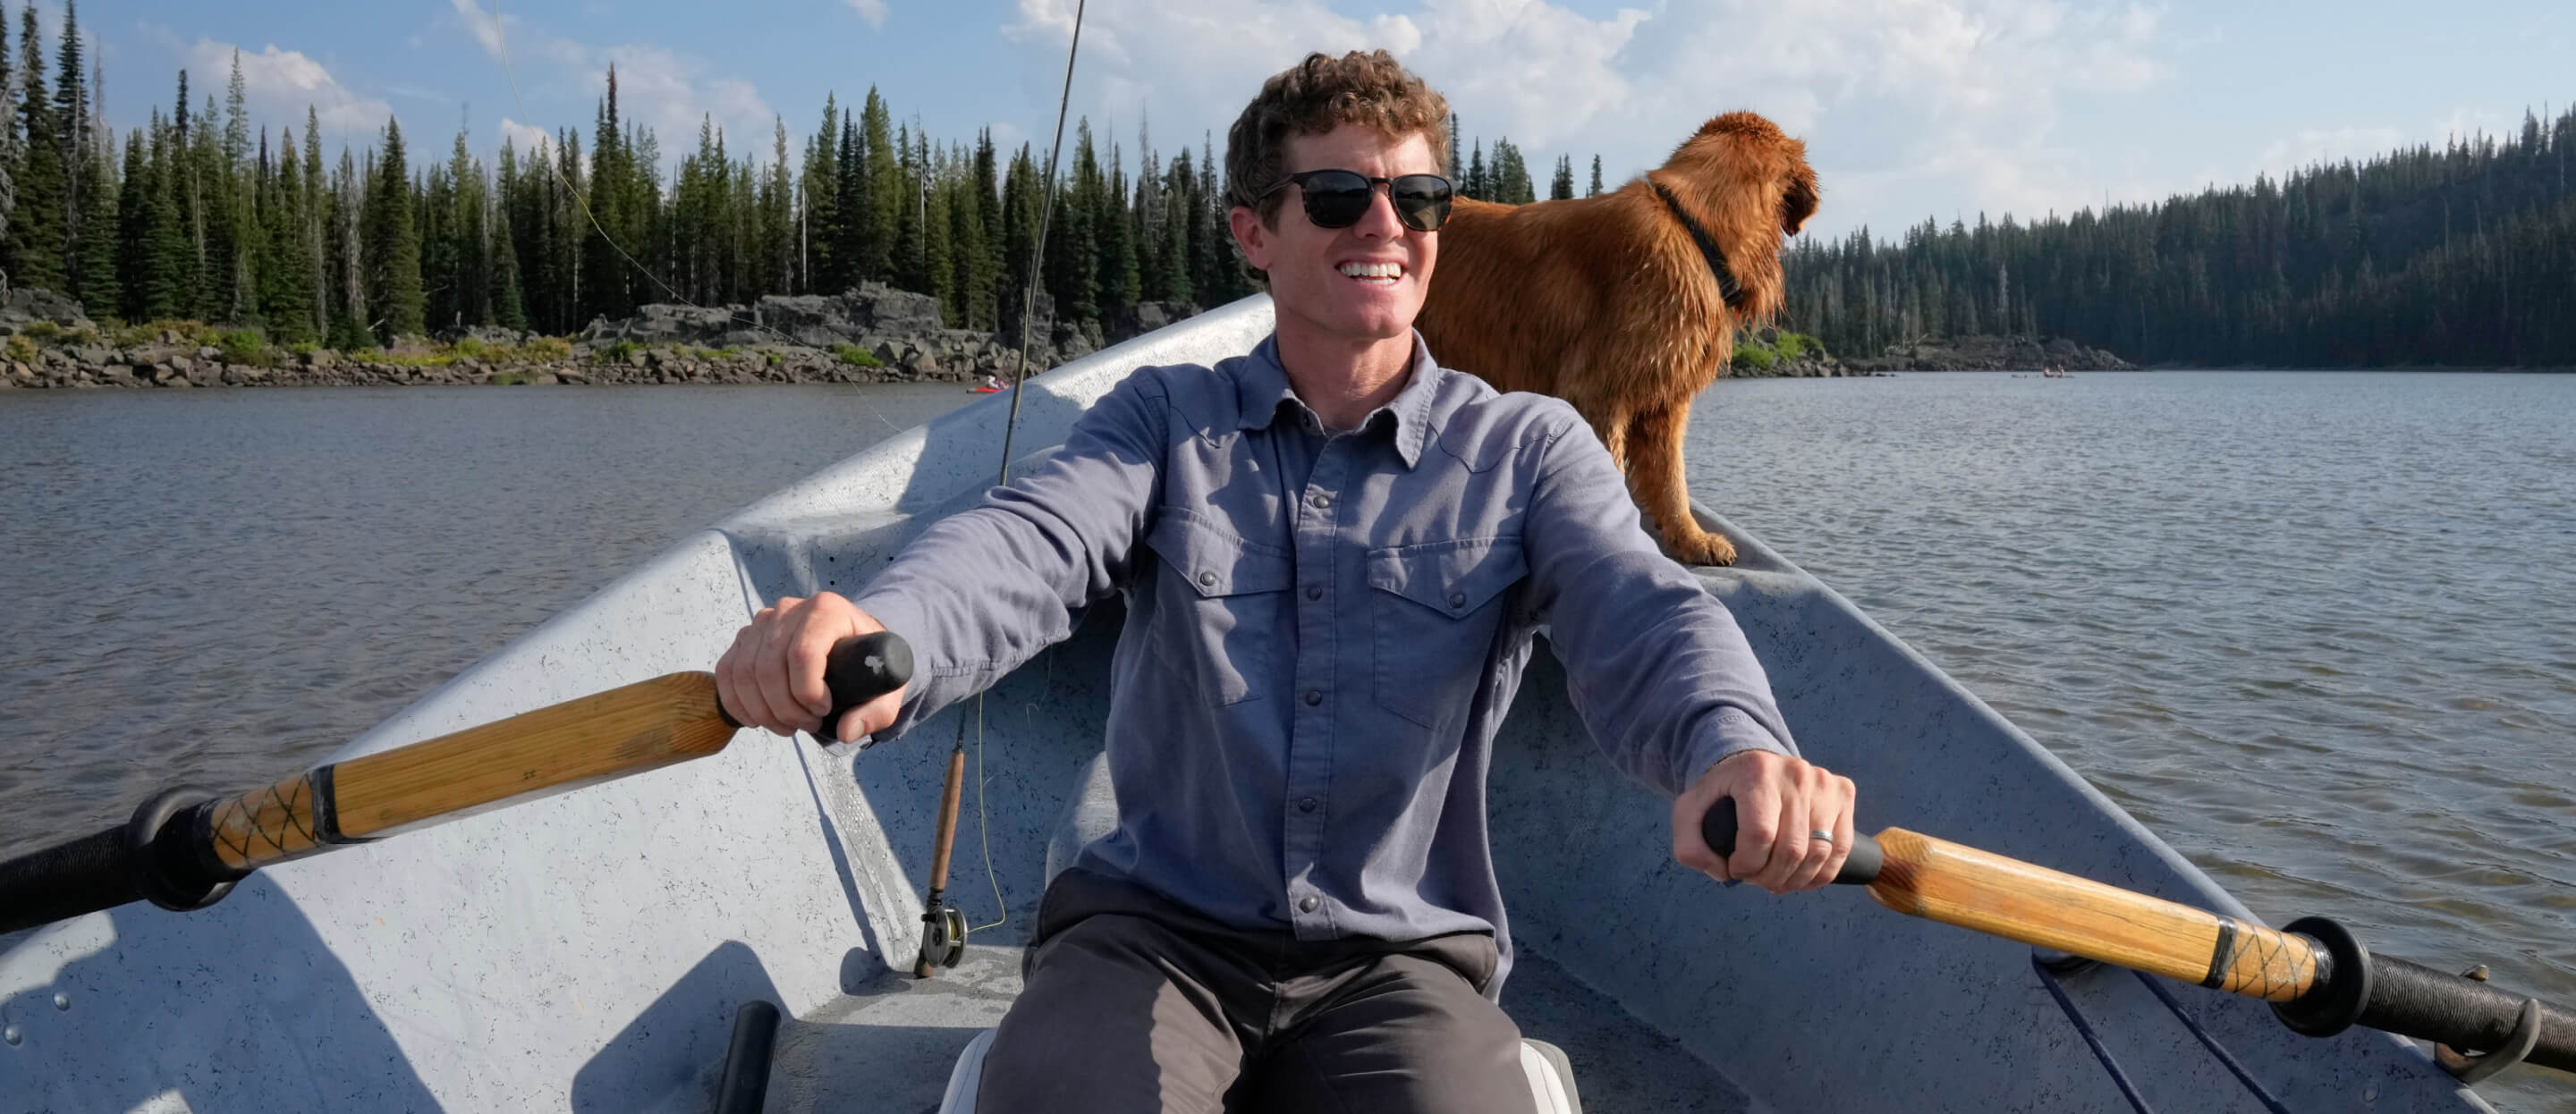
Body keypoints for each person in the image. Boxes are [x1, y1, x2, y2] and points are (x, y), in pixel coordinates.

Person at [716, 50, 1856, 1113]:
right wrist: (879, 629)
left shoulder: (1531, 449)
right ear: (1254, 231)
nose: (1386, 228)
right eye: (1336, 199)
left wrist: (1736, 747)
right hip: (1154, 935)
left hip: (1400, 960)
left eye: (1418, 202)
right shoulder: (1162, 424)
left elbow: (1641, 613)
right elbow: (1026, 546)